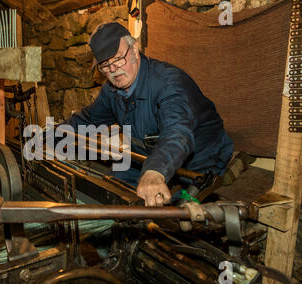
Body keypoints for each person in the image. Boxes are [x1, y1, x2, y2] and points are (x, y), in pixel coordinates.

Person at [60, 22, 233, 207]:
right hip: (145, 156)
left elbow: (178, 132)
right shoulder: (111, 91)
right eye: (104, 65)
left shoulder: (168, 84)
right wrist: (53, 136)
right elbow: (89, 119)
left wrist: (154, 172)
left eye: (118, 59)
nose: (113, 70)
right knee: (111, 192)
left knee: (170, 214)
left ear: (134, 49)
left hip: (198, 161)